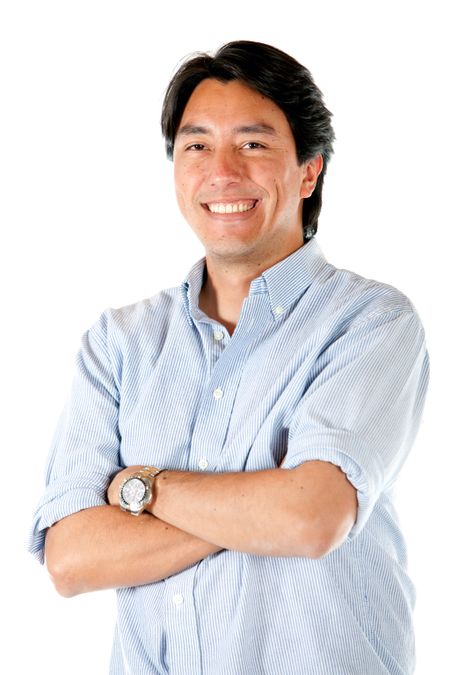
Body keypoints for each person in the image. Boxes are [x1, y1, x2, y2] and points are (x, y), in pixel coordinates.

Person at [29, 40, 429, 675]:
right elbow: (73, 560)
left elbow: (311, 518)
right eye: (196, 145)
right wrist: (260, 507)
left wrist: (139, 488)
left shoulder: (369, 321)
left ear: (309, 170)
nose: (221, 171)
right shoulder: (119, 343)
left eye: (253, 143)